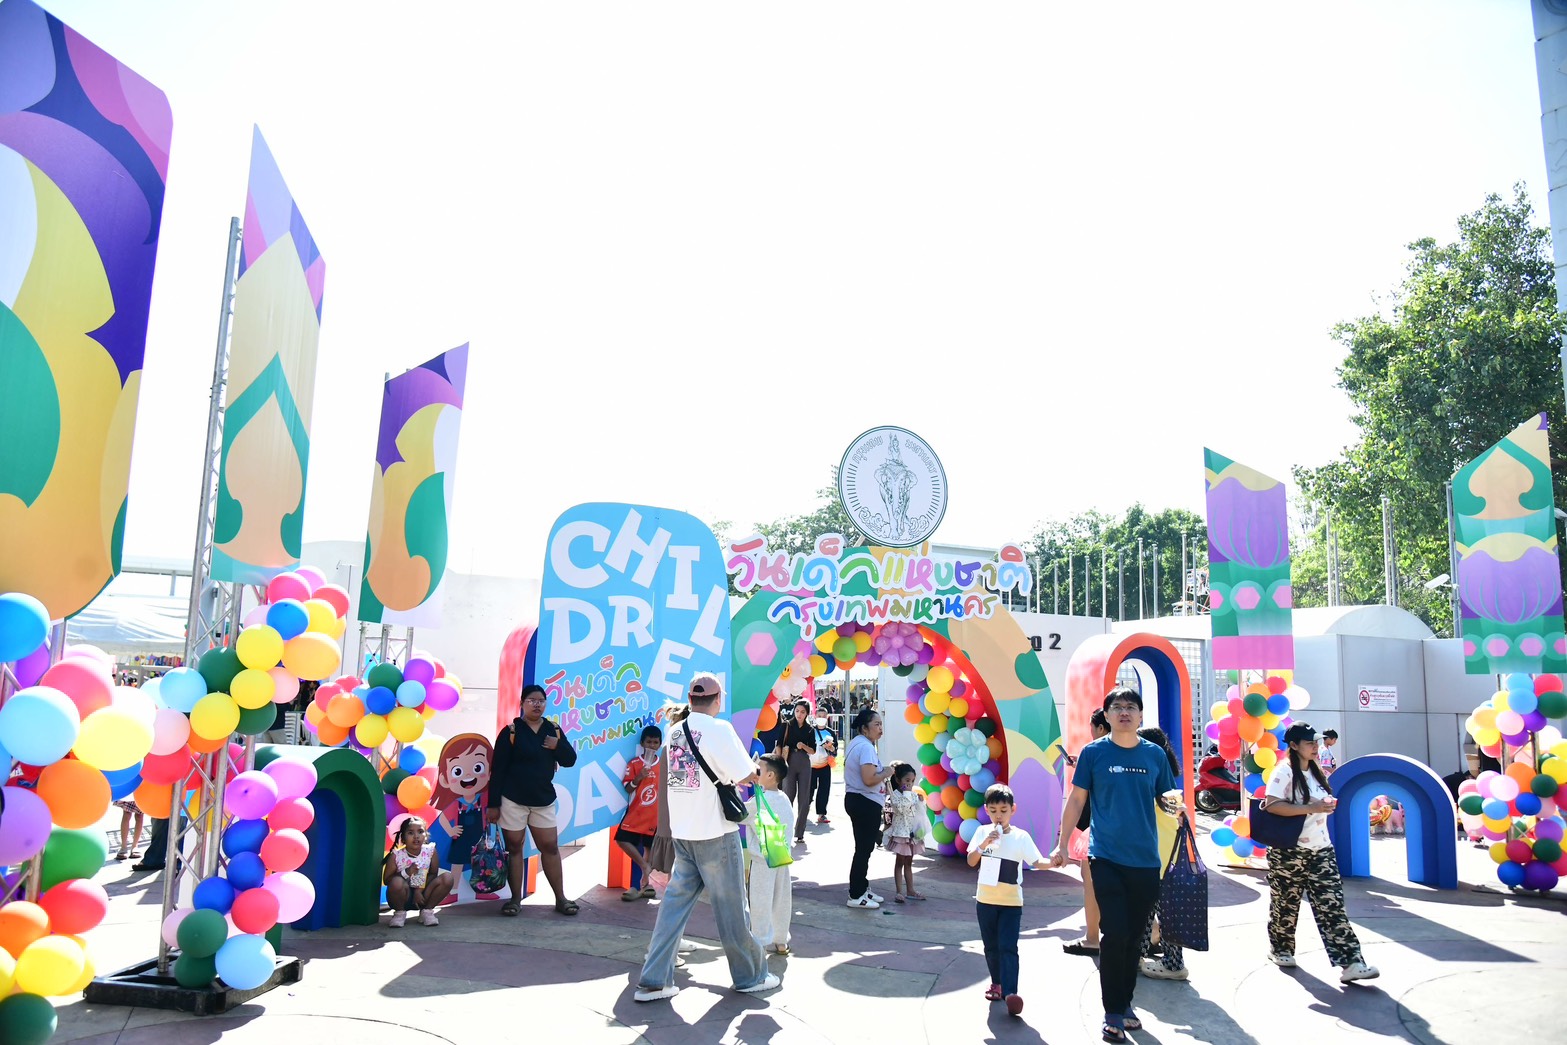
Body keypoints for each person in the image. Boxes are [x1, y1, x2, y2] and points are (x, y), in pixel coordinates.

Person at [634, 673, 780, 1002]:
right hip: (716, 833)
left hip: (683, 833)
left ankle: (654, 980)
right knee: (733, 911)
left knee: (672, 909)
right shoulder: (719, 729)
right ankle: (750, 976)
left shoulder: (674, 732)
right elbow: (746, 775)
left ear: (690, 698)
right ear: (718, 699)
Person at [1051, 687, 1181, 1044]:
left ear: (1140, 715)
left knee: (1135, 937)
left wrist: (1178, 810)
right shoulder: (1093, 753)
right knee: (1115, 933)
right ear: (1106, 715)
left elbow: (1167, 798)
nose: (1125, 712)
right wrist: (1062, 844)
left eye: (1131, 707)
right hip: (1105, 856)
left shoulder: (1154, 754)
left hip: (1146, 860)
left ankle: (1125, 1003)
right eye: (1117, 707)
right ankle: (1112, 1012)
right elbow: (1077, 800)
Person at [1261, 722, 1380, 984]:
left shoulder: (1316, 771)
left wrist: (1322, 806)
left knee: (1332, 905)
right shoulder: (1284, 771)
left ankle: (1352, 962)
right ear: (1294, 746)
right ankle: (1280, 949)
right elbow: (1272, 805)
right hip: (1289, 851)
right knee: (1285, 904)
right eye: (1309, 743)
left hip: (1321, 849)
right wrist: (1311, 808)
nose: (1315, 747)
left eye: (1316, 742)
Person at [487, 683, 579, 916]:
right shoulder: (511, 732)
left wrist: (557, 746)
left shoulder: (553, 729)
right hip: (512, 800)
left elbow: (570, 760)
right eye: (532, 700)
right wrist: (493, 804)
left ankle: (561, 899)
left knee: (550, 847)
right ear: (522, 704)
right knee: (514, 848)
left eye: (541, 701)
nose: (537, 705)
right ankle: (515, 900)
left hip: (543, 799)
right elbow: (498, 770)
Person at [969, 783, 1051, 1017]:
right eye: (993, 810)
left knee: (1008, 946)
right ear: (986, 810)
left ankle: (1011, 993)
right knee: (991, 946)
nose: (999, 815)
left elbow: (1037, 862)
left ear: (1013, 810)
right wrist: (984, 844)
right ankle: (997, 983)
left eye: (1003, 810)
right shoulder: (981, 832)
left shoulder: (1020, 837)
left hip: (1011, 903)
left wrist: (1055, 862)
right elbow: (971, 861)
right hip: (985, 901)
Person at [1135, 726, 1187, 982]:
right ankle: (1138, 957)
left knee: (1156, 912)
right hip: (1168, 856)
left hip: (1153, 856)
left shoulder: (1150, 779)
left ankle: (1174, 964)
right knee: (1153, 911)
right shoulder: (1169, 784)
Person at [1063, 708, 1110, 957]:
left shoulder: (1094, 752)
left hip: (1100, 829)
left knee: (1090, 880)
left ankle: (1093, 938)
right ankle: (1152, 931)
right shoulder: (1136, 751)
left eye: (1092, 728)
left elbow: (1077, 799)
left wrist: (1062, 843)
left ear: (1101, 727)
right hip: (1124, 832)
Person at [844, 707, 896, 909]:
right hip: (864, 802)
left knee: (864, 849)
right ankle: (856, 894)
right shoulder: (865, 747)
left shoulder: (858, 744)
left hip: (860, 800)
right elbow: (868, 779)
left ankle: (862, 887)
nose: (880, 728)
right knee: (863, 850)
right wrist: (887, 772)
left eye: (881, 724)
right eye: (876, 724)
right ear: (864, 728)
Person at [431, 732, 494, 901]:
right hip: (460, 839)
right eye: (458, 771)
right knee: (457, 865)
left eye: (477, 768)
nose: (468, 776)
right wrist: (451, 830)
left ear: (489, 772)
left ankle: (482, 890)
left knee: (481, 864)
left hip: (479, 837)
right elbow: (443, 818)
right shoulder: (457, 804)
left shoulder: (484, 798)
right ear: (444, 779)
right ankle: (453, 892)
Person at [746, 754, 795, 954]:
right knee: (781, 901)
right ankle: (781, 941)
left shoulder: (758, 801)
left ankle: (759, 941)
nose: (755, 773)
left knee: (760, 902)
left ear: (770, 775)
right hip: (782, 857)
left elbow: (737, 815)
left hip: (762, 860)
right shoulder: (784, 798)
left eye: (758, 769)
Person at [383, 816, 454, 926]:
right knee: (396, 882)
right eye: (410, 833)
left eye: (420, 832)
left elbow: (433, 874)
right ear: (403, 838)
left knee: (447, 878)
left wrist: (418, 891)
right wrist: (406, 872)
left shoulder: (430, 851)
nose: (416, 836)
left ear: (426, 835)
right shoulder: (396, 856)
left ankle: (427, 911)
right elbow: (387, 880)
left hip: (423, 895)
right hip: (403, 897)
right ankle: (399, 914)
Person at [619, 725, 663, 901]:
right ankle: (641, 873)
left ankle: (644, 885)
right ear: (642, 743)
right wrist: (639, 777)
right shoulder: (634, 763)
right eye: (648, 742)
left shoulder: (664, 765)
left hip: (655, 815)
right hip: (636, 813)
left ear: (660, 744)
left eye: (655, 742)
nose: (651, 745)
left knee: (649, 849)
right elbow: (628, 788)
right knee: (622, 839)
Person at [884, 762, 928, 902]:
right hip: (901, 834)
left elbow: (919, 811)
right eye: (907, 780)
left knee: (909, 862)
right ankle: (899, 892)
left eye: (912, 781)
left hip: (911, 834)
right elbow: (901, 808)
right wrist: (908, 793)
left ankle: (910, 890)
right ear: (898, 780)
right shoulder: (895, 795)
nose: (910, 784)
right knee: (900, 862)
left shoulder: (913, 795)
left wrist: (921, 802)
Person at [775, 701, 817, 844]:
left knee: (804, 798)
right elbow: (779, 744)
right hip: (789, 761)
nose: (799, 714)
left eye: (803, 712)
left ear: (807, 713)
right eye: (797, 711)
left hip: (804, 762)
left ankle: (800, 832)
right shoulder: (786, 725)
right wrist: (779, 762)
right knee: (788, 795)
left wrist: (803, 746)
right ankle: (784, 830)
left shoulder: (810, 729)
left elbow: (813, 750)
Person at [811, 715, 837, 824]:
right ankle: (804, 811)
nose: (821, 718)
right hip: (810, 766)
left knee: (824, 791)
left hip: (825, 765)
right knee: (808, 791)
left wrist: (831, 748)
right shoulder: (810, 731)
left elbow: (835, 751)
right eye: (819, 716)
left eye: (823, 716)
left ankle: (821, 814)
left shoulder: (830, 732)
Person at [114, 797, 144, 862]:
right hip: (130, 793)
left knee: (139, 815)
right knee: (126, 813)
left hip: (141, 792)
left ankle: (135, 846)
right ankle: (123, 846)